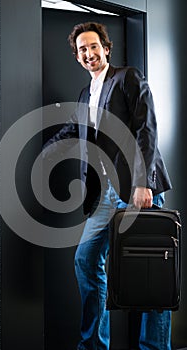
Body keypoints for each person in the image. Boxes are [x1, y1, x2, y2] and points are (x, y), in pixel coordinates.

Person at [43, 22, 172, 350]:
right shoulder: (86, 93)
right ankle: (93, 345)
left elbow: (147, 129)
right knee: (85, 260)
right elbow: (75, 129)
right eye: (82, 49)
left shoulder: (128, 77)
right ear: (77, 56)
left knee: (150, 269)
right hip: (102, 194)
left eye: (93, 46)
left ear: (106, 48)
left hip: (135, 188)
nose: (89, 53)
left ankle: (155, 347)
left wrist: (144, 184)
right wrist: (45, 154)